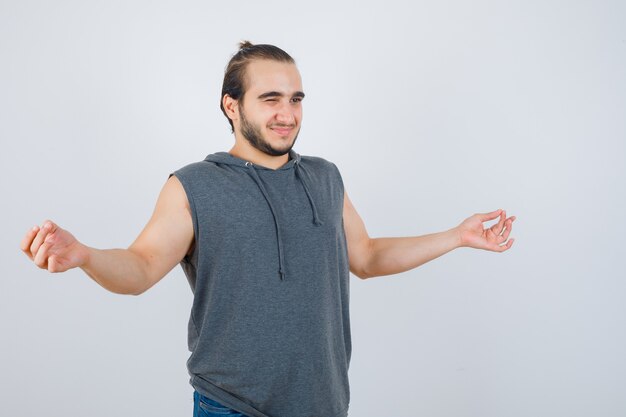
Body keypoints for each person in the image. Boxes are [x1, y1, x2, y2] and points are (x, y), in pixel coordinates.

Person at [20, 41, 516, 417]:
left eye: (296, 99)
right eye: (271, 98)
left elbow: (365, 256)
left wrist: (456, 236)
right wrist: (84, 254)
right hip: (232, 404)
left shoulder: (324, 177)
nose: (287, 114)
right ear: (231, 106)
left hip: (324, 403)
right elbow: (141, 266)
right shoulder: (193, 185)